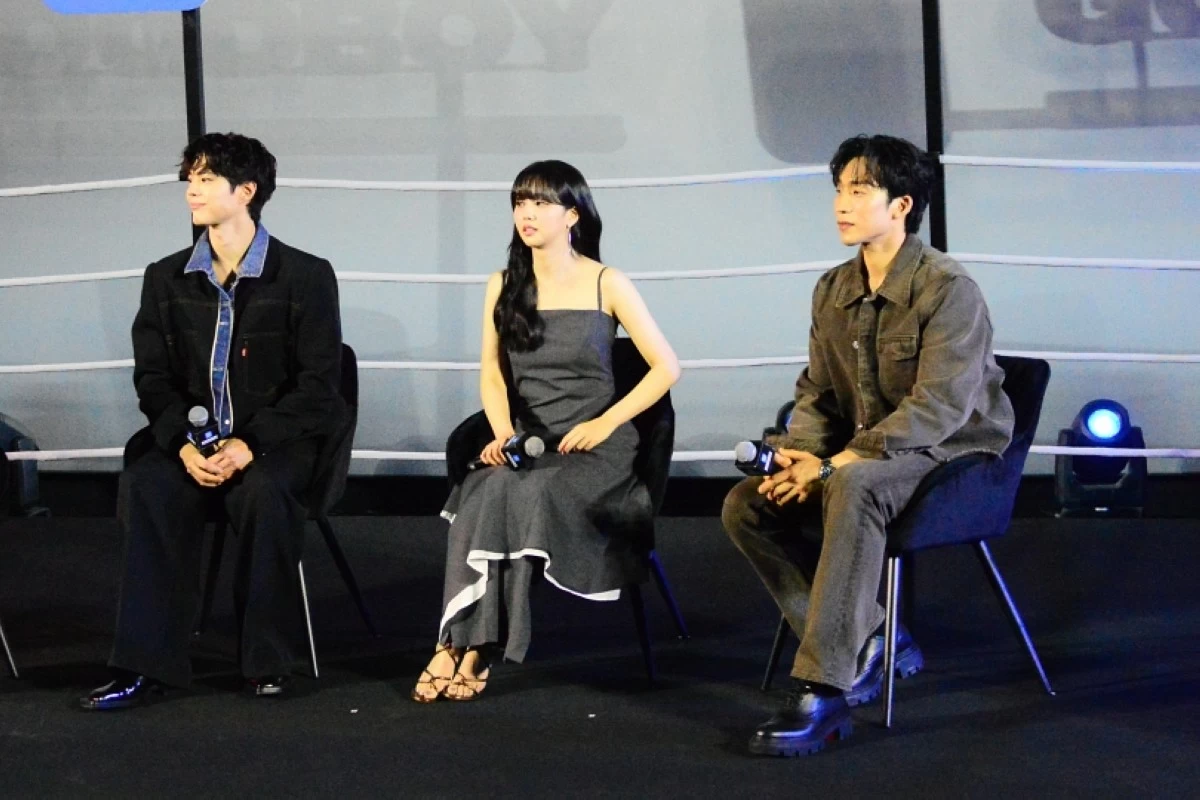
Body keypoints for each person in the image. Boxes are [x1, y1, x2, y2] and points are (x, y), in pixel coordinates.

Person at [722, 134, 1014, 755]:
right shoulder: (832, 288)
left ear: (901, 204)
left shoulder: (947, 288)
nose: (841, 204)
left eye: (859, 191)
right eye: (838, 190)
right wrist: (801, 454)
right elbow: (818, 392)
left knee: (852, 485)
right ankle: (875, 641)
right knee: (747, 502)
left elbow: (938, 409)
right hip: (868, 452)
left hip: (952, 455)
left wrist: (832, 466)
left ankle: (823, 690)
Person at [80, 132, 346, 710]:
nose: (191, 191)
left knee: (265, 497)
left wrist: (250, 444)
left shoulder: (304, 276)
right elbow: (152, 379)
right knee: (149, 487)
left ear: (246, 191)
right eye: (190, 178)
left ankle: (266, 661)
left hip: (274, 445)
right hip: (191, 444)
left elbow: (319, 389)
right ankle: (144, 665)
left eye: (205, 179)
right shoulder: (166, 278)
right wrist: (180, 444)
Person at [411, 160, 681, 702]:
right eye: (519, 203)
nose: (526, 214)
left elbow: (666, 367)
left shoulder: (608, 282)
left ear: (572, 215)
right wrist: (503, 432)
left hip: (597, 448)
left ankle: (479, 646)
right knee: (485, 488)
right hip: (531, 439)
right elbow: (491, 372)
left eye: (539, 203)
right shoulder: (503, 285)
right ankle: (455, 640)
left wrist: (606, 421)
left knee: (529, 492)